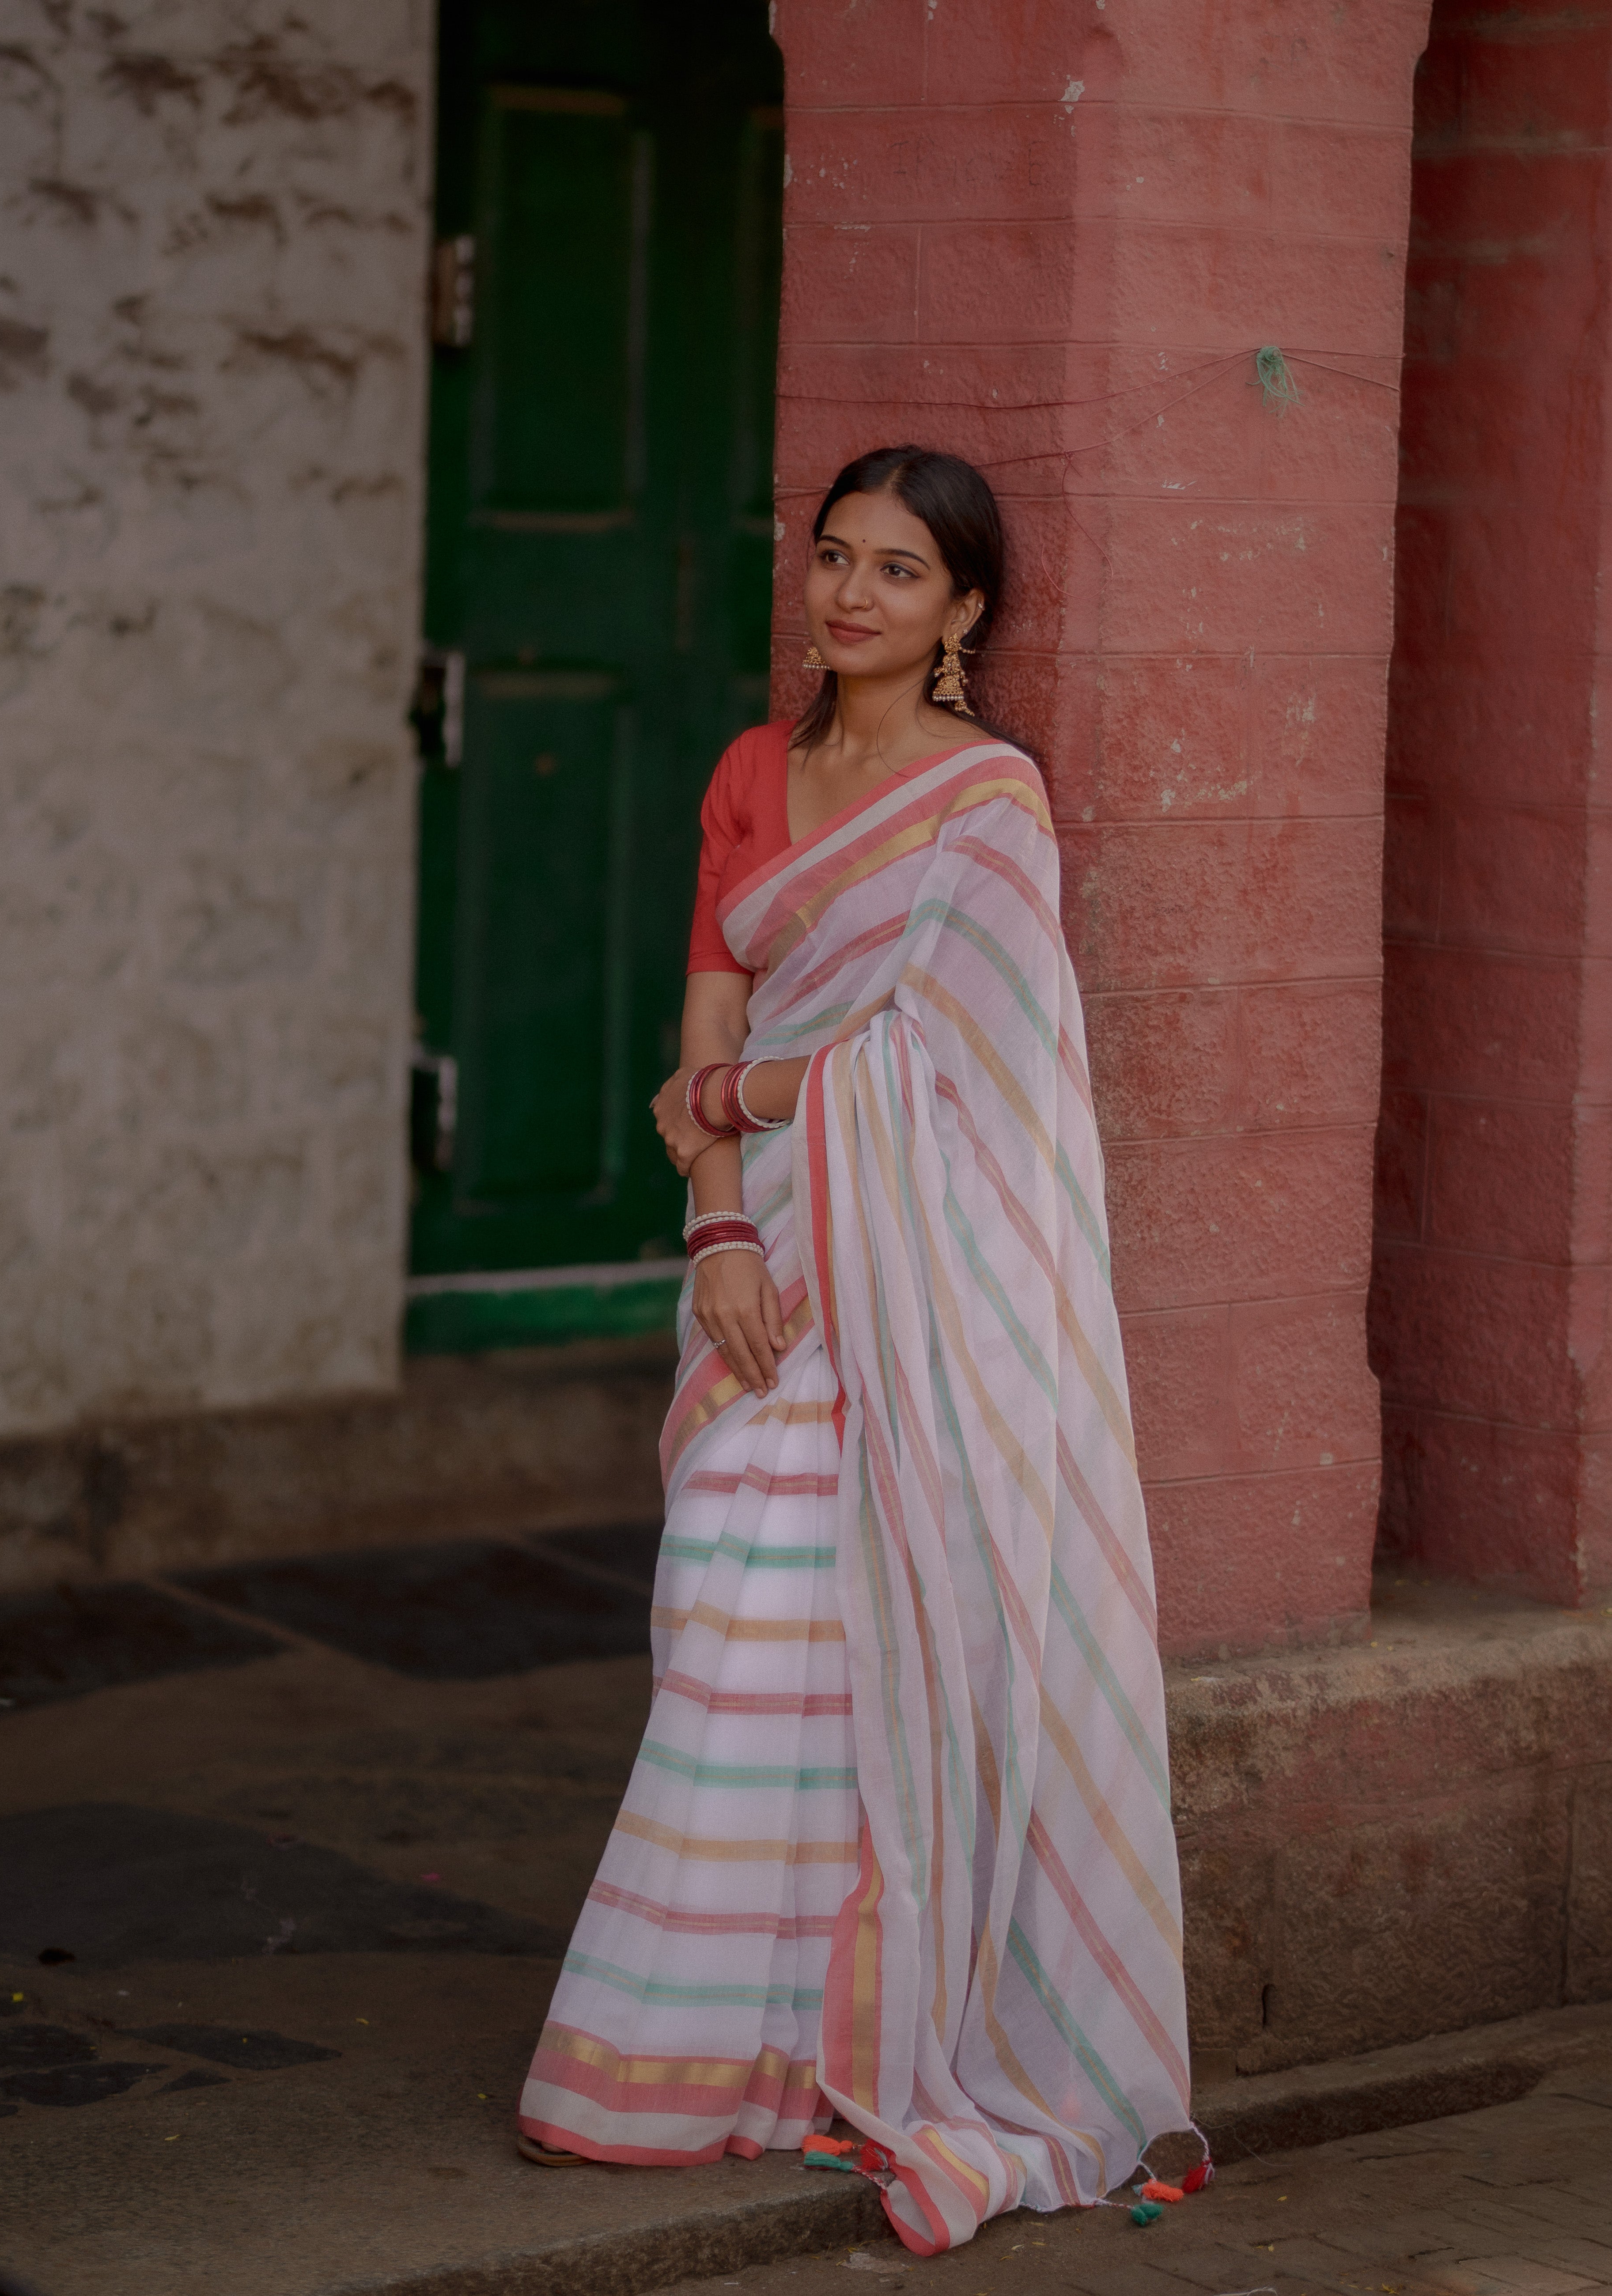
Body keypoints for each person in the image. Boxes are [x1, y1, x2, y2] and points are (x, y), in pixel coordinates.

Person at [516, 446, 1192, 2255]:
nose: (851, 595)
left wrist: (734, 1101)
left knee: (849, 1636)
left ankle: (809, 2057)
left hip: (928, 1280)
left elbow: (969, 1061)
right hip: (769, 1266)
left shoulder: (988, 803)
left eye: (898, 570)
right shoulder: (757, 770)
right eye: (834, 557)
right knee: (730, 1610)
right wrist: (719, 1228)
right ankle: (698, 2054)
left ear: (964, 608)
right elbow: (710, 1006)